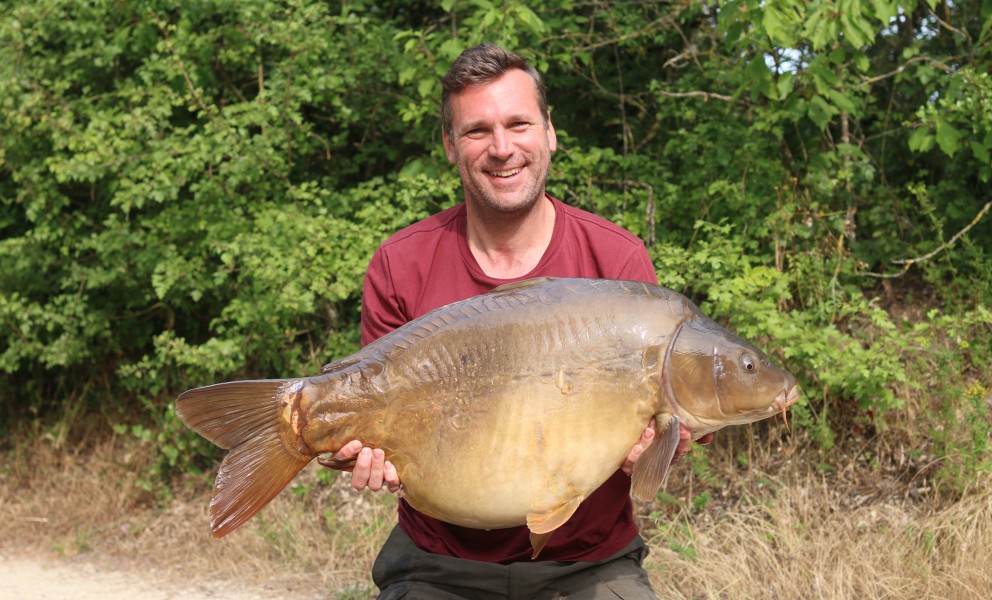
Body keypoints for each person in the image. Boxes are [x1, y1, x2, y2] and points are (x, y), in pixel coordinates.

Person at [326, 43, 711, 599]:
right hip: (437, 561)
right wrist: (354, 452)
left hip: (588, 562)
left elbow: (657, 440)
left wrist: (654, 448)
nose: (502, 148)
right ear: (450, 145)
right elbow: (374, 424)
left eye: (519, 123)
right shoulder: (400, 264)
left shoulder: (617, 264)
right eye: (478, 130)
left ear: (550, 132)